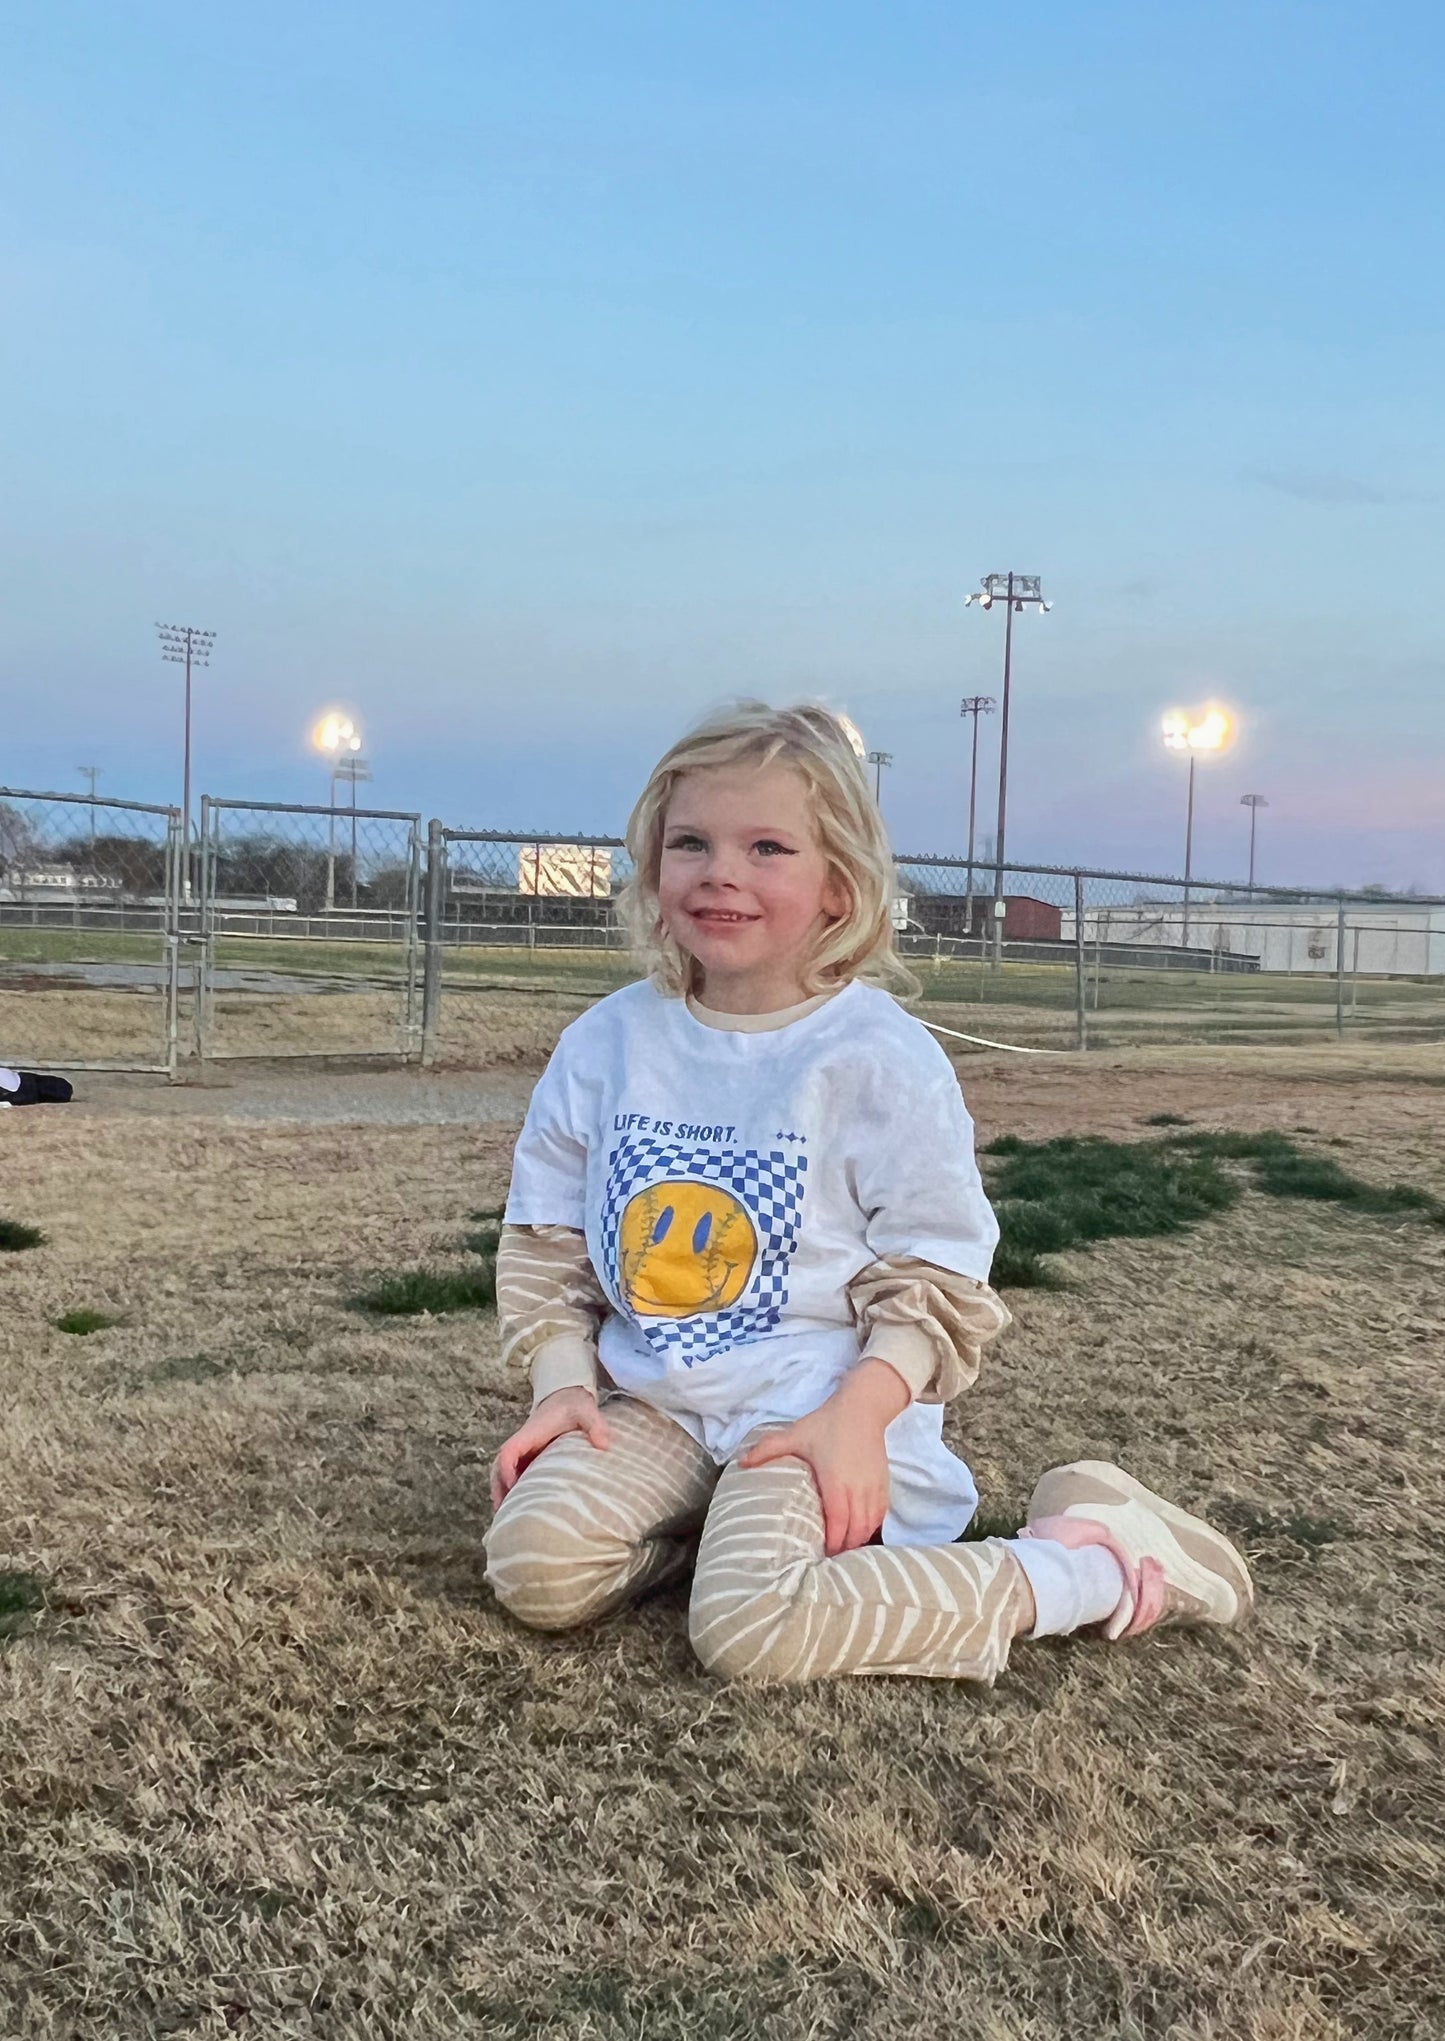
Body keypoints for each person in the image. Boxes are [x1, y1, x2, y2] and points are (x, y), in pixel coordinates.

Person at [484, 702, 1252, 1684]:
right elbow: (547, 1239)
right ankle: (714, 1530)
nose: (721, 870)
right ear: (650, 867)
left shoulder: (876, 1057)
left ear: (839, 885)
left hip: (814, 1413)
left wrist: (857, 1416)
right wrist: (561, 1388)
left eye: (767, 846)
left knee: (750, 1631)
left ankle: (1091, 1563)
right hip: (657, 1405)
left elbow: (934, 1269)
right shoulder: (606, 1042)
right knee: (532, 1566)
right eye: (691, 842)